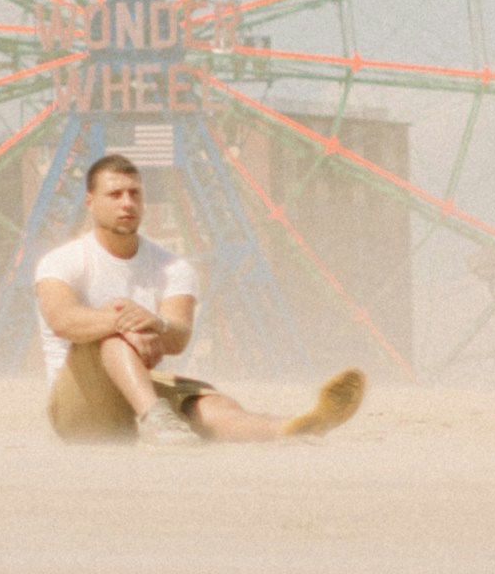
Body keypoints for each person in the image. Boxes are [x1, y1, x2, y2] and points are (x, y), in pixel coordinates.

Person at [34, 151, 365, 445]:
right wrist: (123, 323)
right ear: (90, 202)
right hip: (78, 408)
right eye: (115, 194)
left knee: (208, 404)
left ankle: (294, 427)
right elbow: (62, 320)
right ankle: (157, 420)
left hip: (134, 394)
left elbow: (177, 337)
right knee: (111, 335)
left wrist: (156, 322)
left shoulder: (173, 267)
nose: (127, 203)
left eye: (135, 194)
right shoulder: (62, 262)